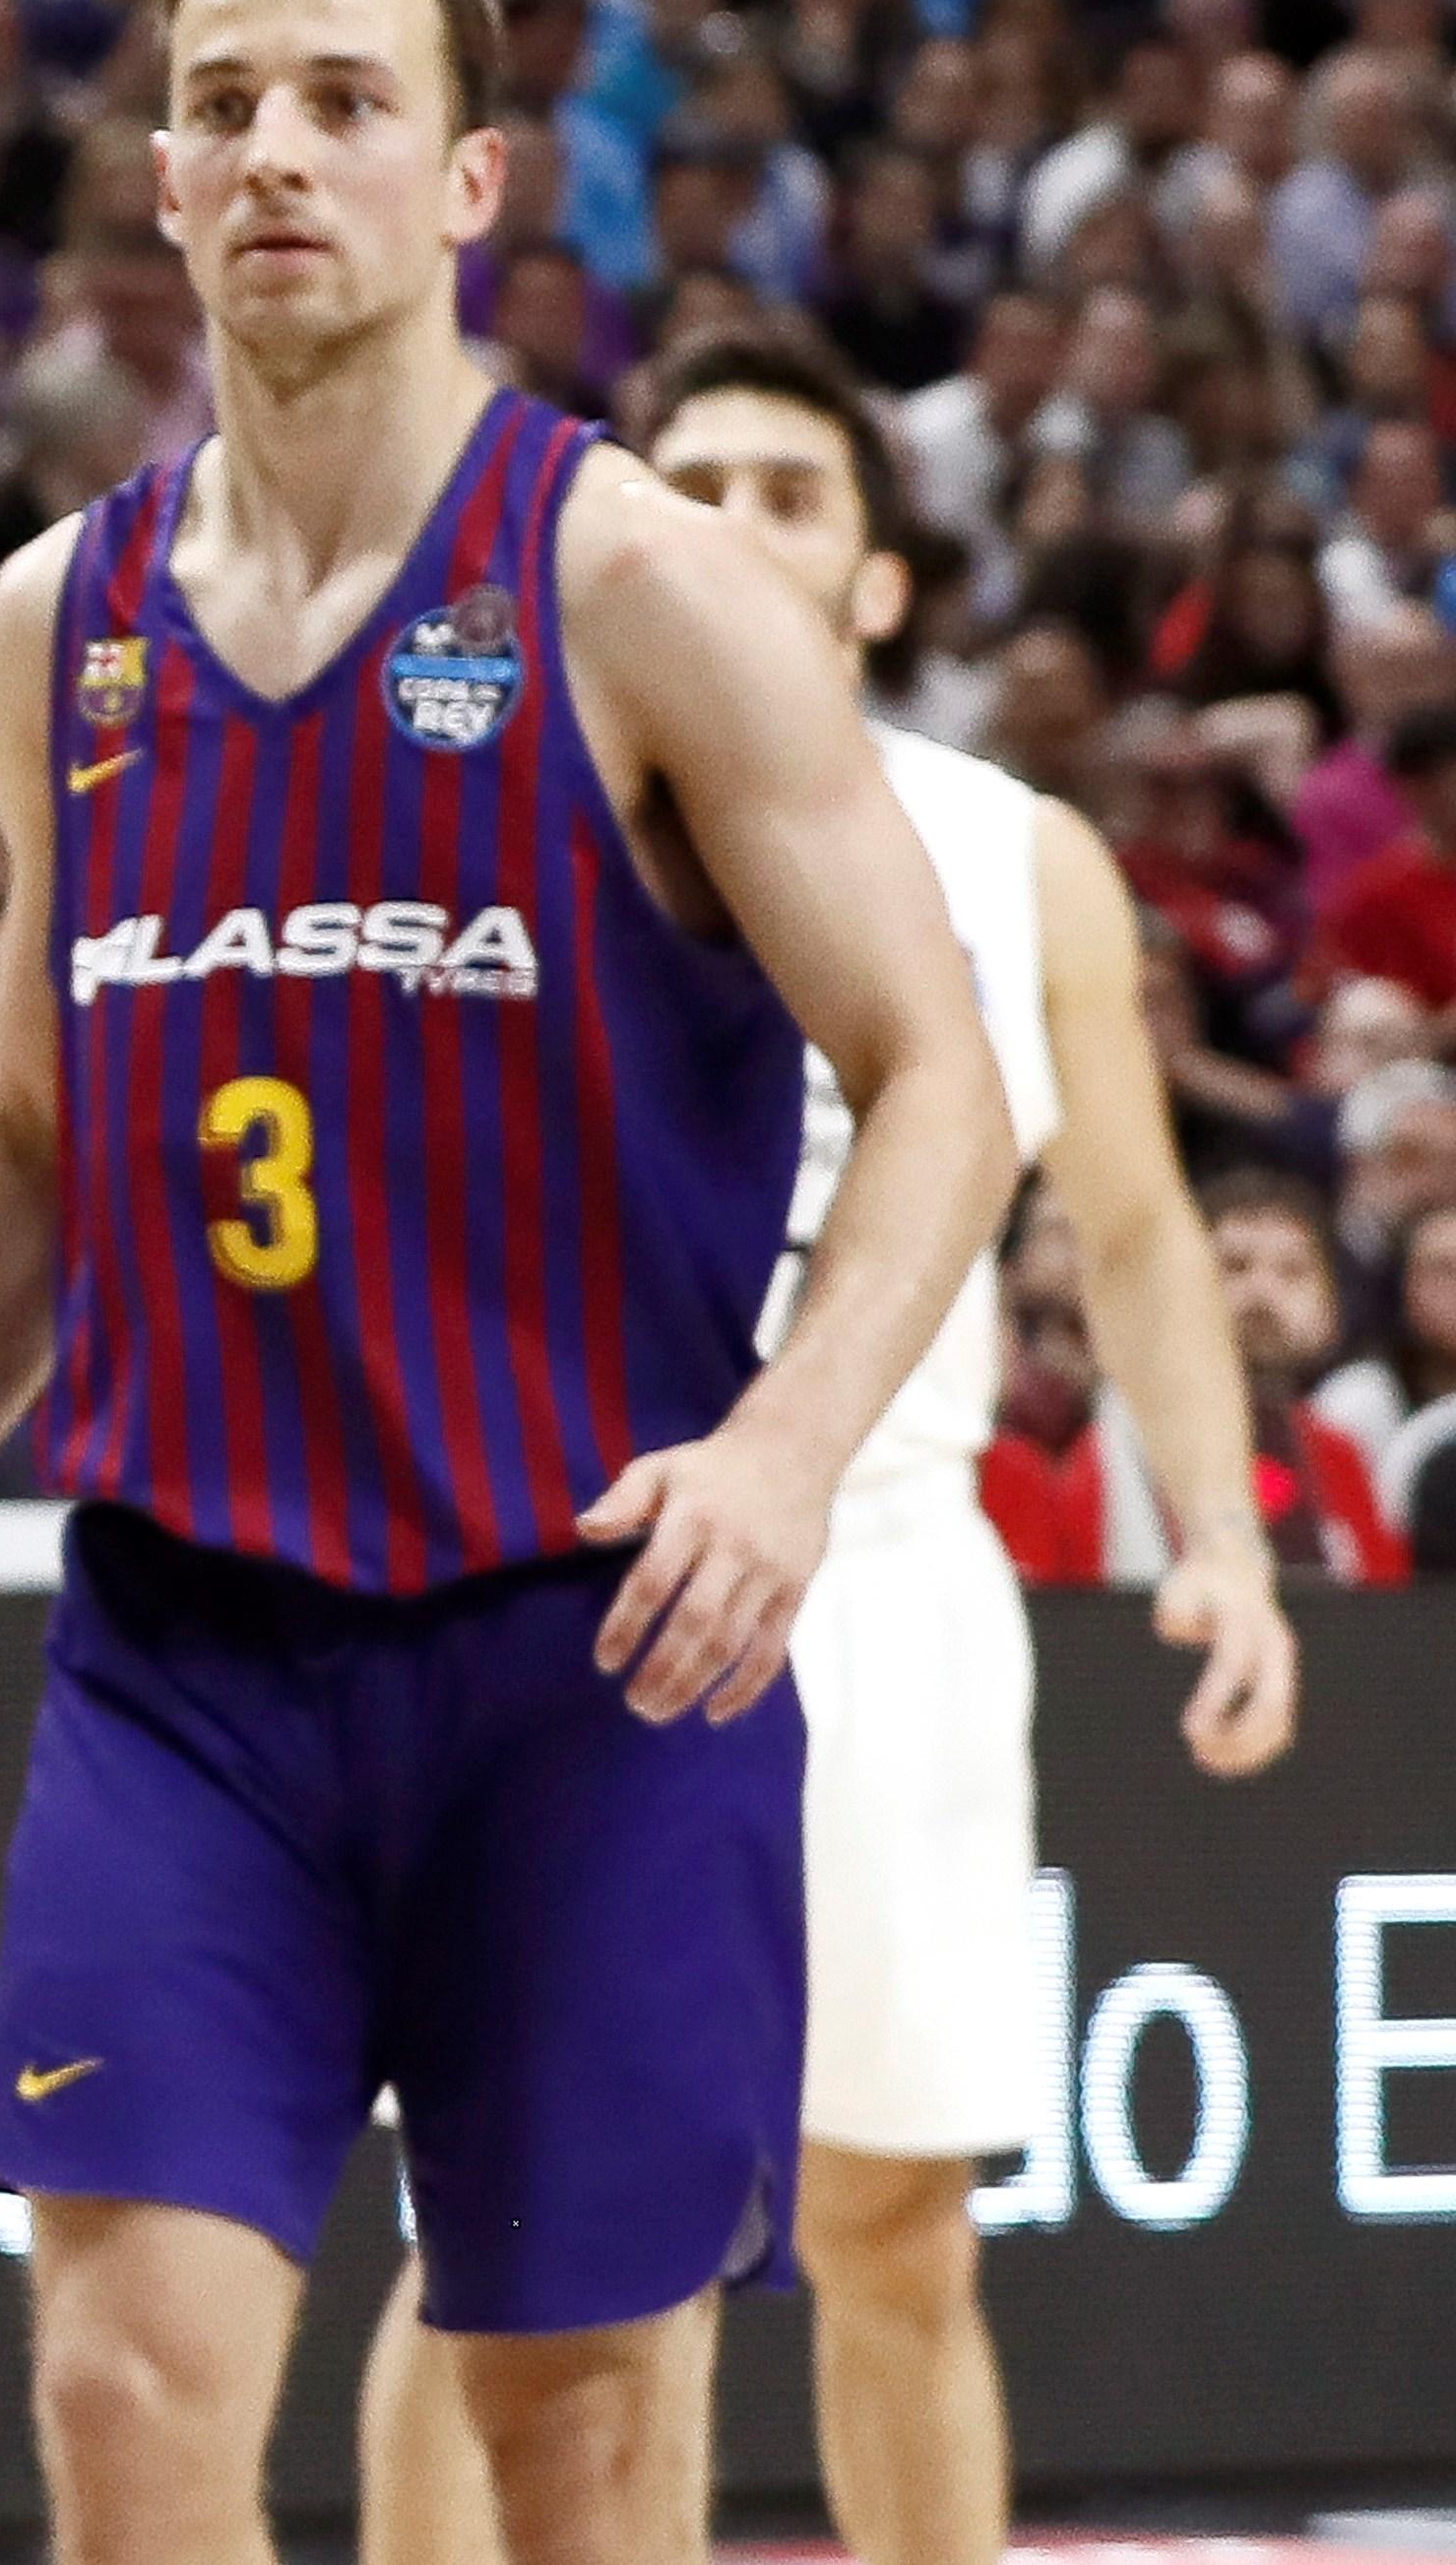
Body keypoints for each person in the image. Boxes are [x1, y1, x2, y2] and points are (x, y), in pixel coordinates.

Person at [0, 0, 1019, 2565]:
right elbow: (40, 1146)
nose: (274, 149)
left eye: (344, 102)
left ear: (474, 181)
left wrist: (778, 1450)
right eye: (222, 103)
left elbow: (948, 1082)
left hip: (582, 1652)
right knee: (128, 2384)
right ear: (160, 176)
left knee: (582, 2445)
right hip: (193, 1661)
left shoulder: (639, 585)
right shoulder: (64, 624)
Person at [352, 335, 1304, 2565]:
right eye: (693, 480)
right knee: (534, 2237)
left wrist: (1223, 1544)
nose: (737, 516)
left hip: (888, 1575)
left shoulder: (1008, 850)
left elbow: (1141, 1232)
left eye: (790, 488)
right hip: (566, 1578)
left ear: (873, 581)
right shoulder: (497, 816)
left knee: (894, 2228)